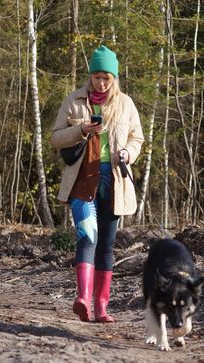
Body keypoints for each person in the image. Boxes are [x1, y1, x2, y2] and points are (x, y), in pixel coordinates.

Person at [51, 45, 144, 323]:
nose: (101, 82)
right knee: (86, 237)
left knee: (106, 244)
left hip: (114, 182)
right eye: (96, 77)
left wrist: (128, 153)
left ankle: (102, 307)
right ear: (90, 75)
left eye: (106, 77)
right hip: (83, 180)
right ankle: (83, 299)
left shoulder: (126, 104)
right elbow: (56, 138)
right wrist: (80, 130)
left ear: (114, 78)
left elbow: (136, 138)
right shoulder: (74, 100)